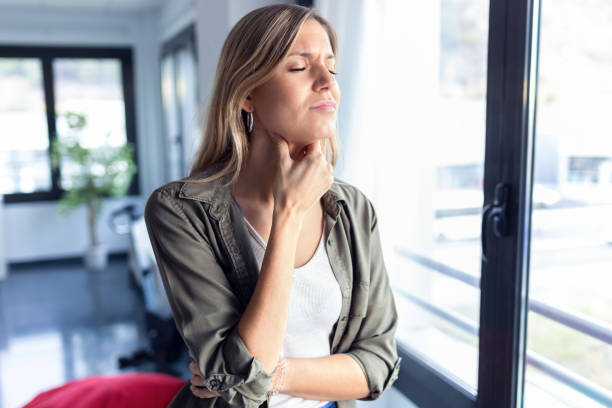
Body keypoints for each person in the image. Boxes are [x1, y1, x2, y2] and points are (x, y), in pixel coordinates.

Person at [144, 4, 401, 408]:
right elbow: (238, 393)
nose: (326, 84)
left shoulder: (352, 209)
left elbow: (378, 365)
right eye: (299, 68)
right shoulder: (179, 210)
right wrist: (289, 213)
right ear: (247, 94)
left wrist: (273, 372)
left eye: (331, 69)